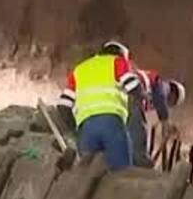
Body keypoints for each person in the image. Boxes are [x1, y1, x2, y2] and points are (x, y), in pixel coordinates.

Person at [57, 40, 145, 170]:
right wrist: (140, 99)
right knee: (120, 173)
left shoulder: (79, 69)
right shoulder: (117, 61)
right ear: (121, 55)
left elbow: (63, 106)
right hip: (112, 124)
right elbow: (133, 86)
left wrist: (75, 130)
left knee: (86, 172)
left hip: (86, 128)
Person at [128, 68, 180, 169]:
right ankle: (140, 164)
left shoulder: (148, 99)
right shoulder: (163, 86)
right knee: (138, 132)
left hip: (122, 96)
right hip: (130, 93)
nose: (168, 104)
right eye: (172, 101)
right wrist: (165, 121)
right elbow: (160, 95)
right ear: (173, 93)